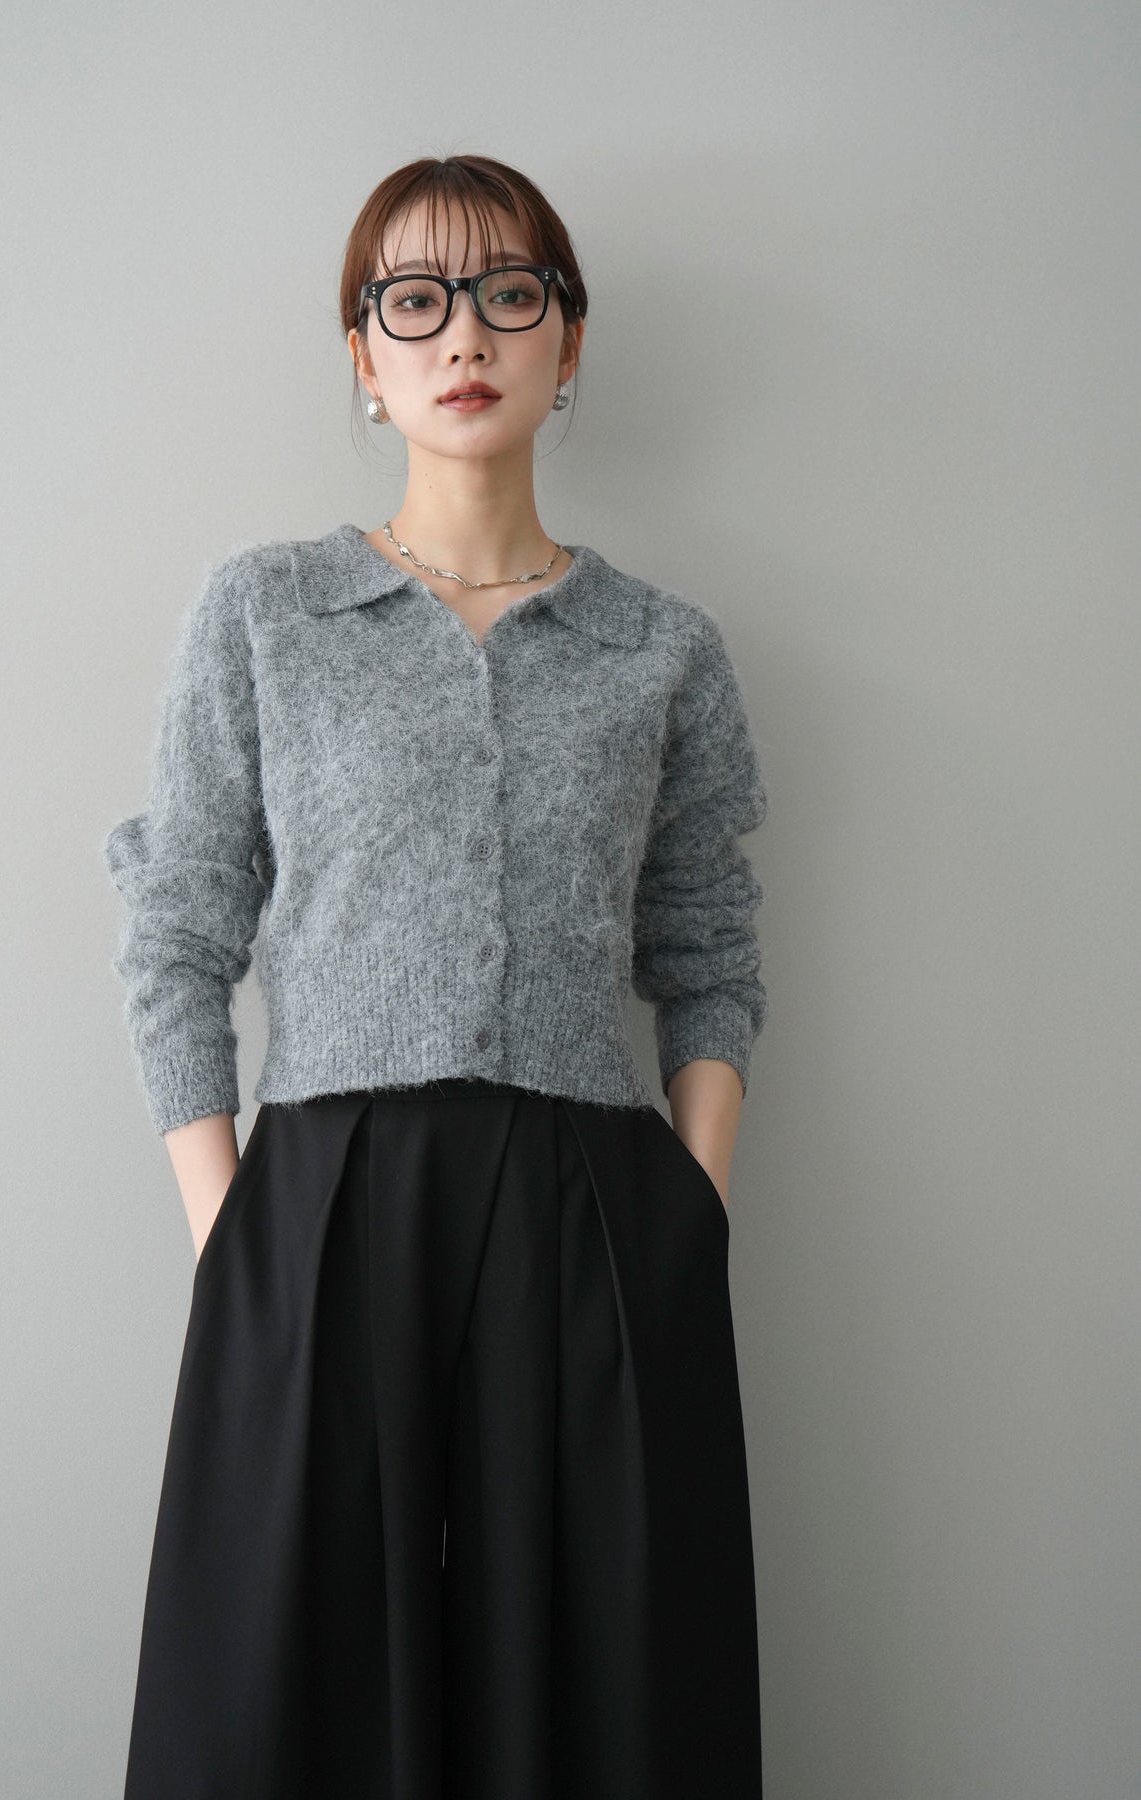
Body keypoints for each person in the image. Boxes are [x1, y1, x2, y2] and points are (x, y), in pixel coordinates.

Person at [104, 153, 769, 1799]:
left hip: (589, 1213)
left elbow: (705, 949)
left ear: (567, 339)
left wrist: (690, 1210)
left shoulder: (661, 649)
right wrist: (234, 1233)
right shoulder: (265, 612)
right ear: (364, 354)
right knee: (288, 1691)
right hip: (323, 1205)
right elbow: (177, 927)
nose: (461, 334)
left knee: (603, 1688)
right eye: (414, 299)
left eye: (506, 293)